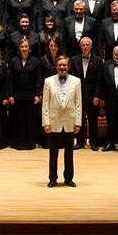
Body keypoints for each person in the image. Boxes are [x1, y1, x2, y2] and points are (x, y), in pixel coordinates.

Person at [42, 55, 82, 188]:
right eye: (60, 65)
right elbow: (45, 104)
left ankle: (68, 179)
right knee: (53, 154)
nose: (62, 67)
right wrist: (46, 122)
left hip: (70, 122)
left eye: (65, 65)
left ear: (68, 66)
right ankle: (52, 178)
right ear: (56, 66)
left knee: (69, 154)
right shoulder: (48, 81)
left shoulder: (76, 81)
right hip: (54, 123)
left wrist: (78, 122)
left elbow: (78, 104)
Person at [7, 37, 42, 150]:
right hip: (17, 96)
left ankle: (30, 143)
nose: (24, 48)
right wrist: (10, 94)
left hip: (31, 96)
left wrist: (38, 94)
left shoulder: (36, 61)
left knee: (30, 121)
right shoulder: (13, 61)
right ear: (19, 48)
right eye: (22, 47)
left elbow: (38, 78)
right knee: (18, 120)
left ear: (30, 49)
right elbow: (10, 79)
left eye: (26, 46)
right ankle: (17, 143)